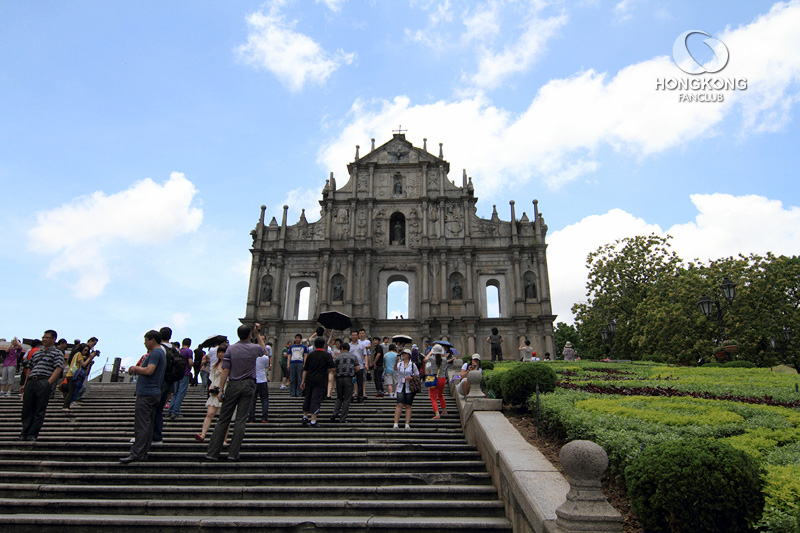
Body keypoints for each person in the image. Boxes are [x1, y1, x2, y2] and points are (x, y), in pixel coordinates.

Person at [205, 323, 266, 462]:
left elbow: (225, 370)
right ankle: (233, 454)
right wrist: (258, 335)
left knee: (223, 419)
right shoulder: (254, 348)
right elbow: (264, 351)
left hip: (233, 385)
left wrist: (220, 390)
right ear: (249, 335)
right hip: (249, 385)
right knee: (240, 420)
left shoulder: (231, 349)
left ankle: (212, 453)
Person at [120, 330, 166, 463]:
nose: (145, 343)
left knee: (142, 424)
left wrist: (136, 368)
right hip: (154, 392)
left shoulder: (156, 353)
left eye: (146, 340)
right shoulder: (160, 353)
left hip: (147, 393)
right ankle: (142, 451)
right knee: (148, 423)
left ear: (152, 340)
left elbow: (149, 370)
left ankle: (137, 452)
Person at [18, 330, 64, 441]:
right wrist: (25, 384)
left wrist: (49, 382)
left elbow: (58, 368)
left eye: (47, 337)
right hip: (32, 381)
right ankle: (24, 432)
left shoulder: (57, 353)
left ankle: (32, 434)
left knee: (39, 409)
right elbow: (29, 368)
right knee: (27, 409)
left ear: (53, 339)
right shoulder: (36, 352)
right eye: (43, 337)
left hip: (44, 380)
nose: (44, 339)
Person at [301, 337, 335, 427]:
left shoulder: (310, 355)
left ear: (315, 345)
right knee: (316, 399)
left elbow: (305, 369)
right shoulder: (327, 355)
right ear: (324, 345)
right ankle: (313, 420)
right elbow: (332, 368)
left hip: (309, 379)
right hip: (320, 380)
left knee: (307, 398)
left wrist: (302, 381)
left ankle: (304, 416)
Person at [194, 355, 227, 443]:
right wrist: (211, 386)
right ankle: (203, 434)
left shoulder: (229, 364)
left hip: (225, 390)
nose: (221, 354)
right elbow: (212, 378)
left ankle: (224, 439)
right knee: (209, 414)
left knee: (224, 417)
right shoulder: (215, 365)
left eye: (223, 352)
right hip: (215, 390)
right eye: (219, 352)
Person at [330, 342, 359, 423]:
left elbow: (333, 368)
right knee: (347, 399)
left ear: (341, 349)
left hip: (339, 379)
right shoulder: (353, 357)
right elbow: (358, 368)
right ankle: (342, 418)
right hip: (348, 379)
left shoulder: (338, 357)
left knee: (339, 397)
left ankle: (334, 414)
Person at [165, 338, 193, 419]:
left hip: (176, 374)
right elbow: (190, 362)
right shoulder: (189, 351)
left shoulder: (178, 350)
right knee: (181, 393)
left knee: (175, 393)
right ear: (190, 344)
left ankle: (169, 410)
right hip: (184, 373)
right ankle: (175, 411)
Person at [393, 348, 419, 430]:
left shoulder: (412, 365)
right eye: (403, 354)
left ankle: (407, 424)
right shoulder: (400, 364)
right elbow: (395, 369)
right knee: (399, 404)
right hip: (401, 386)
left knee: (408, 405)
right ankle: (396, 423)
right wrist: (396, 362)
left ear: (409, 355)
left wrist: (411, 377)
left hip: (409, 387)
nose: (403, 355)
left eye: (405, 354)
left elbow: (417, 375)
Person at [424, 344, 450, 419]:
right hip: (442, 379)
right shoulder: (444, 359)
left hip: (434, 379)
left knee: (433, 397)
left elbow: (425, 359)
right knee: (440, 395)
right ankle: (444, 410)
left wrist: (430, 352)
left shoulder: (432, 358)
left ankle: (437, 413)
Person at [248, 345, 270, 423]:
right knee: (264, 399)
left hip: (253, 379)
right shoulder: (265, 358)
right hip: (262, 380)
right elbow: (266, 366)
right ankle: (264, 417)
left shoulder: (251, 357)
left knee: (252, 400)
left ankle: (251, 418)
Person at [349, 331, 367, 402]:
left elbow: (365, 355)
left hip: (360, 366)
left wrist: (366, 364)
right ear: (351, 336)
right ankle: (350, 397)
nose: (354, 336)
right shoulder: (348, 345)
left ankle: (360, 397)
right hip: (350, 366)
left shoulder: (362, 345)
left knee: (360, 382)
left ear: (358, 336)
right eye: (353, 335)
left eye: (355, 335)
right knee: (350, 383)